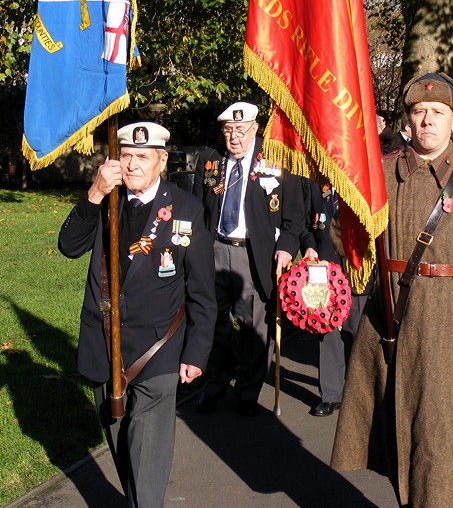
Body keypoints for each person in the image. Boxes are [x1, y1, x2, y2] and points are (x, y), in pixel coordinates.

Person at [331, 73, 453, 507]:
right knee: (393, 431)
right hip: (390, 320)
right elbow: (342, 237)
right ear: (408, 121)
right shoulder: (380, 173)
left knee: (438, 440)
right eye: (419, 112)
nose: (428, 120)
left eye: (438, 112)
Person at [58, 122, 217, 508]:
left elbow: (202, 292)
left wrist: (195, 353)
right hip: (105, 345)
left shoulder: (187, 209)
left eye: (142, 157)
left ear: (161, 161)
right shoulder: (104, 201)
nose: (132, 165)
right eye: (125, 155)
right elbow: (68, 246)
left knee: (147, 457)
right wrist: (95, 192)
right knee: (123, 448)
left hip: (157, 349)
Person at [193, 102, 304, 416]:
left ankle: (247, 391)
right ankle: (214, 383)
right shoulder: (210, 159)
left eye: (241, 130)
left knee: (254, 325)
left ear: (256, 128)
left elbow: (295, 218)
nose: (234, 138)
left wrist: (286, 247)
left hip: (253, 255)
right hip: (214, 249)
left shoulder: (278, 161)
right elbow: (200, 210)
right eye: (228, 130)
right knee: (212, 322)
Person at [300, 178, 369, 416]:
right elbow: (305, 224)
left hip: (358, 268)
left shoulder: (364, 178)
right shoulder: (314, 182)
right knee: (327, 331)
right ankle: (331, 394)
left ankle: (361, 392)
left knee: (357, 332)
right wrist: (309, 246)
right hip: (325, 269)